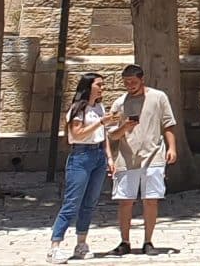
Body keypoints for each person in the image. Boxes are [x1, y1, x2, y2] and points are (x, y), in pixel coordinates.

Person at [48, 73, 124, 262]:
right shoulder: (77, 109)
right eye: (99, 85)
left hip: (98, 155)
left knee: (89, 203)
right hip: (81, 156)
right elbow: (77, 134)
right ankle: (55, 246)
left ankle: (81, 243)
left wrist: (109, 157)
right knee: (72, 203)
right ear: (88, 87)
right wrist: (100, 122)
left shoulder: (99, 107)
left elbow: (103, 135)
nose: (102, 88)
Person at [107, 63, 180, 257]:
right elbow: (112, 135)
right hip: (127, 158)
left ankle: (148, 241)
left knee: (150, 200)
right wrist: (125, 127)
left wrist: (172, 148)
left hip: (153, 155)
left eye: (133, 82)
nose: (129, 85)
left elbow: (168, 124)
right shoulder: (119, 103)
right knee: (125, 201)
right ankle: (125, 241)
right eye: (126, 82)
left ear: (142, 80)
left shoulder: (158, 97)